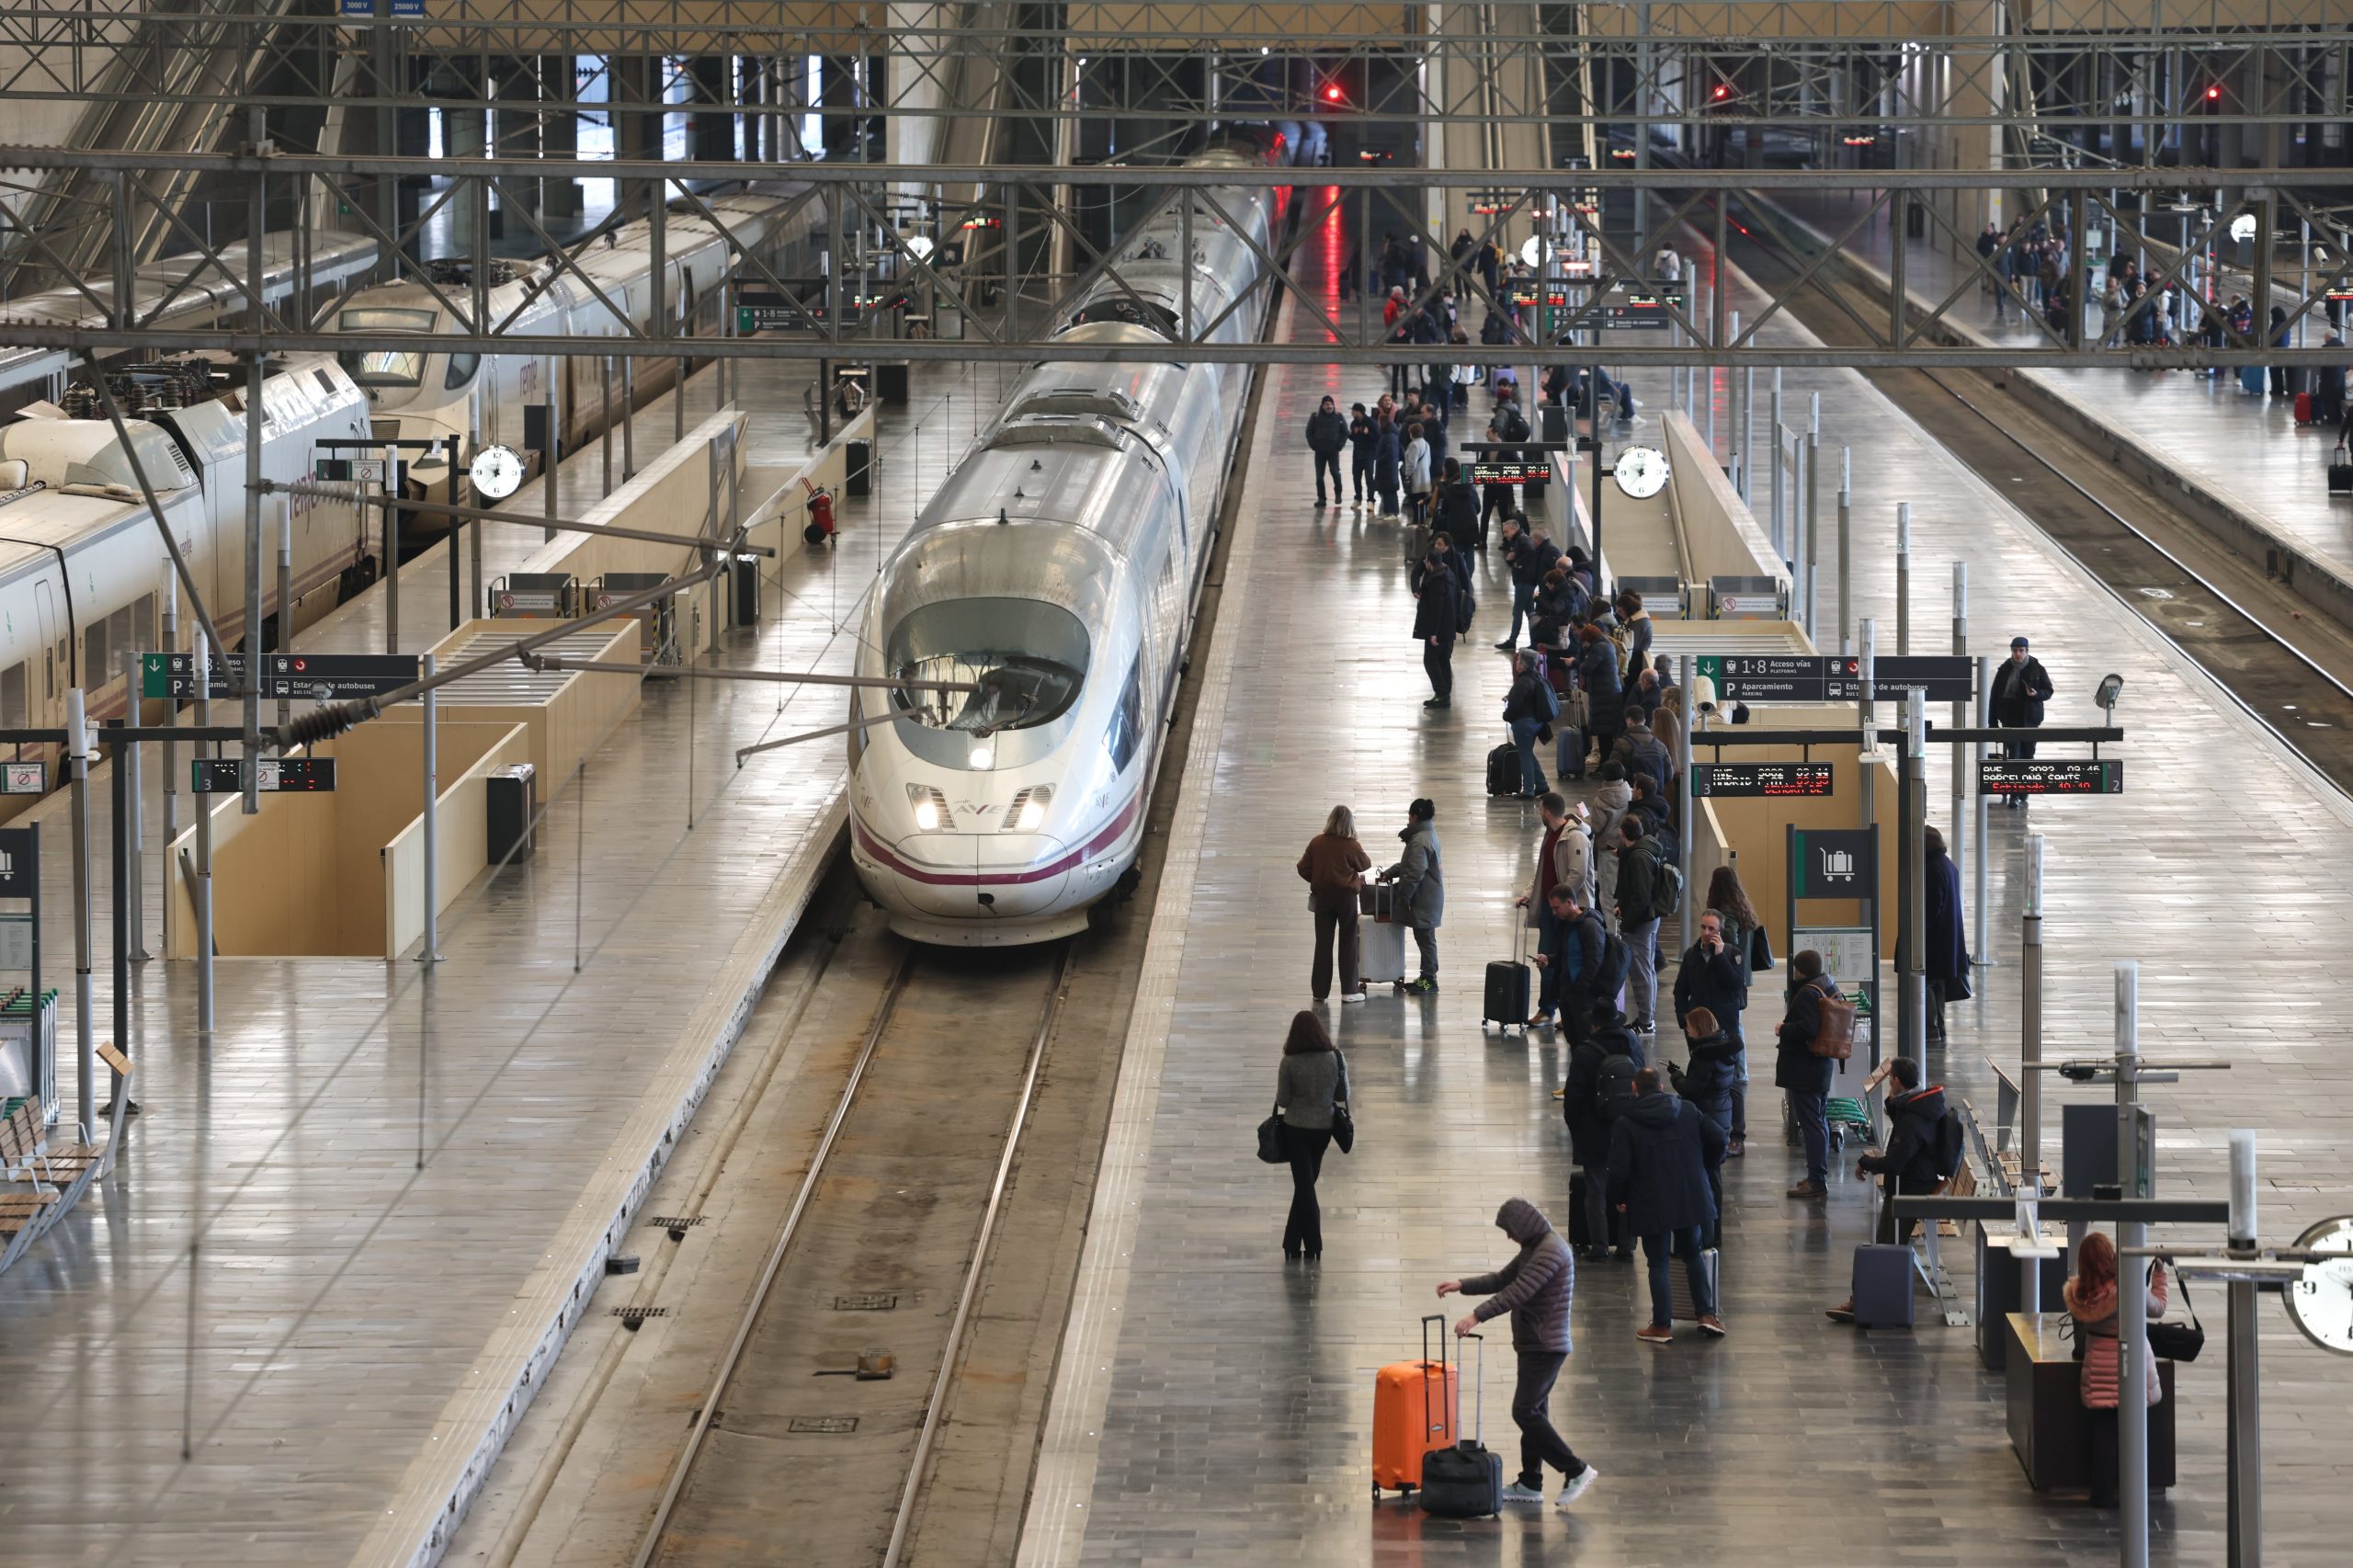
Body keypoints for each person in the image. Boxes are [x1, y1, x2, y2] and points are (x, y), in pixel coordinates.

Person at [1434, 1199, 1598, 1510]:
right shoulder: (1535, 1247)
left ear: (1523, 1226)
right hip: (1535, 1343)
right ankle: (1530, 1483)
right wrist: (1462, 1284)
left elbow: (1517, 1291)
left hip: (1545, 1346)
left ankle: (1575, 1469)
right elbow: (1502, 1278)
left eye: (1511, 1231)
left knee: (1525, 1412)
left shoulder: (1550, 1251)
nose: (1510, 1238)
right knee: (1534, 1412)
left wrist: (1476, 1316)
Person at [1608, 1067, 1726, 1344]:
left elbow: (1619, 1170)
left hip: (1650, 1201)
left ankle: (1662, 1326)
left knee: (1658, 1262)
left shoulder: (1625, 1123)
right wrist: (1706, 1167)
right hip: (1690, 1195)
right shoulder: (1687, 1110)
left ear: (1635, 1090)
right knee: (1693, 1254)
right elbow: (1719, 1138)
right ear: (1662, 1088)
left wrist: (1620, 1199)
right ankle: (1707, 1315)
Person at [2062, 1230, 2170, 1507]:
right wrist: (2159, 1273)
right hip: (2129, 1363)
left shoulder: (2080, 1292)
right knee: (2135, 1432)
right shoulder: (2126, 1288)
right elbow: (2157, 1308)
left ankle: (2102, 1494)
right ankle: (2134, 1489)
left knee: (2103, 1435)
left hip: (2098, 1365)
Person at [1273, 1010, 1348, 1259]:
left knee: (1304, 1186)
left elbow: (1282, 1100)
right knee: (1306, 1185)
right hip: (1323, 1130)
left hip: (1295, 1129)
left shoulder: (1290, 1062)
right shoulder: (1335, 1058)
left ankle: (1309, 1244)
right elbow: (1341, 1095)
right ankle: (1293, 1244)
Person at [1703, 866, 1766, 1154]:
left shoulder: (1725, 915)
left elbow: (1730, 949)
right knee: (1736, 1019)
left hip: (1729, 979)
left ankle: (1739, 1070)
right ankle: (1740, 1069)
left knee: (1732, 1024)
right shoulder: (1744, 910)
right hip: (1744, 979)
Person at [1518, 798, 1591, 1022]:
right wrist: (1530, 893)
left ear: (1547, 812)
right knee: (1545, 960)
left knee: (1570, 961)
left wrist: (1562, 903)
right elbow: (1542, 869)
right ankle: (1547, 1009)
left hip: (1569, 912)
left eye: (1540, 809)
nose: (1539, 813)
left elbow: (1577, 874)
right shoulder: (1550, 835)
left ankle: (1568, 1012)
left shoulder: (1574, 836)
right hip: (1551, 911)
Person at [1667, 1006, 1737, 1241]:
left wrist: (1676, 1076)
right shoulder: (1725, 1048)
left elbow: (1692, 1090)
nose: (1687, 1032)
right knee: (1714, 1176)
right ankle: (1714, 1231)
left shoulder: (1703, 1057)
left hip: (1704, 1118)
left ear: (1698, 1028)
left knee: (1702, 1178)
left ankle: (1704, 1233)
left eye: (1689, 1028)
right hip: (1722, 1116)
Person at [1775, 949, 1839, 1199]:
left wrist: (1784, 1029)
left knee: (1812, 1124)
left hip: (1805, 1069)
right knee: (1820, 1121)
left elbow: (1809, 1028)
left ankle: (1816, 1180)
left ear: (1799, 970)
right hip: (1821, 1066)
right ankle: (1817, 1175)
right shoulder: (1828, 984)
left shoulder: (1807, 993)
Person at [1296, 805, 1373, 1004]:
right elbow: (1365, 864)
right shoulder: (1351, 846)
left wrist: (1319, 879)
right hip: (1346, 899)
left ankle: (1319, 992)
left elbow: (1302, 867)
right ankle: (1349, 990)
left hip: (1322, 898)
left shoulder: (1317, 842)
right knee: (1348, 943)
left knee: (1323, 944)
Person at [1613, 816, 1667, 1035]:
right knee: (1648, 970)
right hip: (1650, 918)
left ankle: (1646, 1021)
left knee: (1641, 973)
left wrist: (1627, 922)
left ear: (1622, 833)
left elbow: (1641, 897)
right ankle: (1647, 1018)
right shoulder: (1647, 849)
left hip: (1641, 923)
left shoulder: (1638, 858)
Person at [1385, 798, 1444, 993]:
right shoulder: (1427, 835)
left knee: (1426, 939)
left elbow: (1414, 873)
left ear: (1415, 816)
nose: (1408, 820)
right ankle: (1425, 977)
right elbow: (1411, 866)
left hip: (1424, 899)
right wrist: (1392, 871)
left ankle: (1429, 981)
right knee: (1425, 938)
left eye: (1409, 816)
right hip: (1429, 897)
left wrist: (1404, 895)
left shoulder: (1419, 840)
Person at [1673, 910, 1746, 1061]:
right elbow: (1680, 990)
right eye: (1703, 927)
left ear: (1720, 931)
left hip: (1724, 1023)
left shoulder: (1733, 954)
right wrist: (1683, 1018)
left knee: (1725, 1069)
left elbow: (1735, 984)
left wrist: (1720, 957)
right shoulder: (1691, 954)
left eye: (1711, 929)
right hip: (1698, 1023)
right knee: (1699, 1066)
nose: (1706, 932)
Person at [1989, 635, 2054, 804]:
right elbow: (1994, 696)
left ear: (2026, 651)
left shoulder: (2036, 668)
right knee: (2014, 756)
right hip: (2010, 720)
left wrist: (2035, 695)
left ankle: (2024, 790)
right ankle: (2014, 794)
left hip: (2030, 720)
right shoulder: (2005, 669)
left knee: (2028, 755)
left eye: (2021, 651)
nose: (2018, 654)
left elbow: (2048, 691)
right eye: (2015, 651)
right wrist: (1992, 722)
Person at [1923, 825, 1969, 1042]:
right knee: (1938, 985)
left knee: (1927, 984)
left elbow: (1931, 908)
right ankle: (1939, 1028)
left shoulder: (1932, 869)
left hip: (1933, 940)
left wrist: (1918, 931)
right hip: (1947, 939)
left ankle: (1931, 1030)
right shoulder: (1947, 864)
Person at [1412, 535, 1467, 708]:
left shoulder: (1437, 582)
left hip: (1439, 630)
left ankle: (1441, 693)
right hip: (1447, 628)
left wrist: (1433, 633)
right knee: (1443, 659)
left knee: (1430, 660)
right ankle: (1445, 693)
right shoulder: (1446, 573)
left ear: (1429, 563)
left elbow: (1436, 610)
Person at [1503, 650, 1552, 798]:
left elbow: (1515, 706)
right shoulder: (1537, 677)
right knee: (1528, 754)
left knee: (1524, 755)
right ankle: (1542, 785)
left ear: (1523, 665)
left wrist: (1506, 716)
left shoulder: (1522, 682)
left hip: (1524, 724)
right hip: (1536, 722)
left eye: (1518, 661)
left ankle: (1528, 790)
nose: (1516, 663)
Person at [1576, 624, 1624, 772]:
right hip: (1607, 694)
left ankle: (1605, 766)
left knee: (1605, 734)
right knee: (1605, 734)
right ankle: (1604, 765)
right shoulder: (1605, 645)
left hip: (1605, 696)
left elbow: (1586, 668)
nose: (1583, 644)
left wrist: (1578, 660)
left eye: (1583, 641)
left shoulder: (1598, 648)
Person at [1587, 763, 1631, 923]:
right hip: (1627, 849)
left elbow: (1596, 827)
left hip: (1607, 850)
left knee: (1608, 895)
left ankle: (1613, 937)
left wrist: (1585, 817)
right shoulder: (1630, 793)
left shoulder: (1600, 800)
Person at [1611, 707, 1670, 796]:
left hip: (1631, 796)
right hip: (1655, 796)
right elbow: (1669, 774)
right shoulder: (1659, 745)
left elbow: (1613, 772)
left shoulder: (1621, 744)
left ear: (1629, 720)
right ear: (1644, 720)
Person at [1304, 394, 1348, 508]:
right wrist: (1313, 445)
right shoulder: (1315, 417)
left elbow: (1345, 432)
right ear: (1322, 405)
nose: (1329, 406)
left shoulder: (1338, 417)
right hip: (1320, 451)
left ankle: (1338, 492)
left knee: (1335, 472)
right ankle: (1321, 498)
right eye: (1327, 404)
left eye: (1330, 404)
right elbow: (1309, 432)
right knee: (1319, 476)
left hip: (1333, 451)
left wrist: (1340, 445)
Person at [1432, 457, 1481, 555]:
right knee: (1469, 555)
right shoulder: (1471, 489)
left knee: (1456, 556)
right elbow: (1478, 508)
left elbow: (1443, 510)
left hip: (1454, 528)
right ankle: (1468, 571)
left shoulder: (1449, 490)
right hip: (1471, 527)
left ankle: (1459, 570)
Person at [1401, 419, 1432, 528]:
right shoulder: (1426, 443)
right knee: (1422, 500)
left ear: (1411, 433)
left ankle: (1416, 520)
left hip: (1416, 477)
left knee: (1415, 501)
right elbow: (1429, 461)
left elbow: (1411, 463)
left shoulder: (1414, 445)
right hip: (1425, 477)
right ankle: (1421, 520)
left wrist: (1407, 474)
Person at [1372, 406, 1403, 515]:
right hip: (1387, 468)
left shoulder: (1389, 436)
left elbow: (1391, 453)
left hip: (1388, 468)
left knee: (1390, 492)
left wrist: (1379, 459)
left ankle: (1392, 512)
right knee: (1387, 491)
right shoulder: (1387, 434)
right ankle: (1388, 512)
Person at [1346, 402, 1377, 506]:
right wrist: (1351, 434)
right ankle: (1358, 498)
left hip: (1368, 454)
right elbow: (1353, 438)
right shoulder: (1354, 423)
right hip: (1357, 453)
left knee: (1369, 477)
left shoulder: (1371, 422)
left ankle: (1371, 500)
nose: (1352, 413)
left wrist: (1368, 433)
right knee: (1356, 476)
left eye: (1353, 411)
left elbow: (1378, 438)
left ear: (1359, 412)